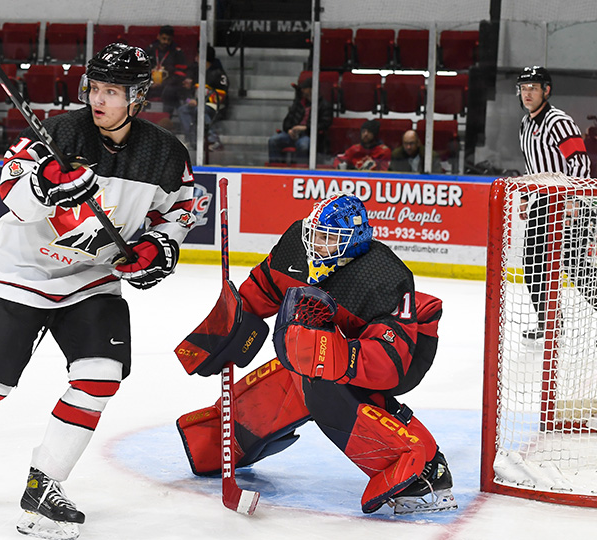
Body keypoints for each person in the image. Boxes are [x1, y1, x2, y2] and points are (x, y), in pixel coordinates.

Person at [0, 43, 196, 539]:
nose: (98, 99)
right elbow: (10, 193)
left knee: (101, 374)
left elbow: (179, 209)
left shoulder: (165, 153)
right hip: (22, 270)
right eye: (94, 88)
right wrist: (43, 183)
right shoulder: (59, 134)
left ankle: (44, 483)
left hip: (93, 277)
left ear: (137, 98)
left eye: (112, 91)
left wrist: (158, 247)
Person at [176, 194, 457, 515]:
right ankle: (225, 441)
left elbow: (388, 365)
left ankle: (419, 470)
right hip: (341, 336)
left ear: (354, 241)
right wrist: (230, 324)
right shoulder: (297, 247)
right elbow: (263, 289)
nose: (316, 244)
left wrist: (329, 354)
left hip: (402, 351)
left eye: (329, 238)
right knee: (300, 377)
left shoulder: (384, 278)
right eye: (316, 234)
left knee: (326, 387)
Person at [516, 66, 593, 340]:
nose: (527, 94)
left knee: (576, 267)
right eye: (524, 88)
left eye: (533, 88)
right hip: (542, 202)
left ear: (546, 91)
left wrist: (573, 200)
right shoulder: (526, 124)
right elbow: (531, 165)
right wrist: (526, 197)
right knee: (533, 264)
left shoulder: (558, 121)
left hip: (568, 203)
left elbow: (580, 161)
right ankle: (550, 324)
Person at [267, 76, 333, 163]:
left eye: (305, 88)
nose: (302, 90)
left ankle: (300, 169)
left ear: (312, 89)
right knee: (273, 141)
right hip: (292, 135)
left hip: (309, 135)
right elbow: (287, 121)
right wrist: (289, 130)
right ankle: (277, 169)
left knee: (303, 145)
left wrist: (305, 128)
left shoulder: (324, 105)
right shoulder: (298, 103)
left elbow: (325, 124)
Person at [176, 45, 228, 151]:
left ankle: (214, 139)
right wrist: (189, 100)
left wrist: (199, 102)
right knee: (183, 110)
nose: (196, 58)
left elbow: (221, 95)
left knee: (199, 110)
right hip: (198, 106)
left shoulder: (219, 74)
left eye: (198, 56)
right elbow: (187, 93)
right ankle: (192, 140)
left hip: (214, 107)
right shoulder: (196, 73)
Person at [144, 25, 189, 113]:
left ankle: (166, 118)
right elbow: (143, 69)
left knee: (170, 91)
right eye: (164, 39)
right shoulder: (150, 49)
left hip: (168, 85)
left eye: (169, 40)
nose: (166, 42)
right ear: (158, 37)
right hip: (151, 83)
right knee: (140, 88)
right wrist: (150, 82)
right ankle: (141, 116)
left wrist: (163, 83)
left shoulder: (177, 52)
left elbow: (180, 75)